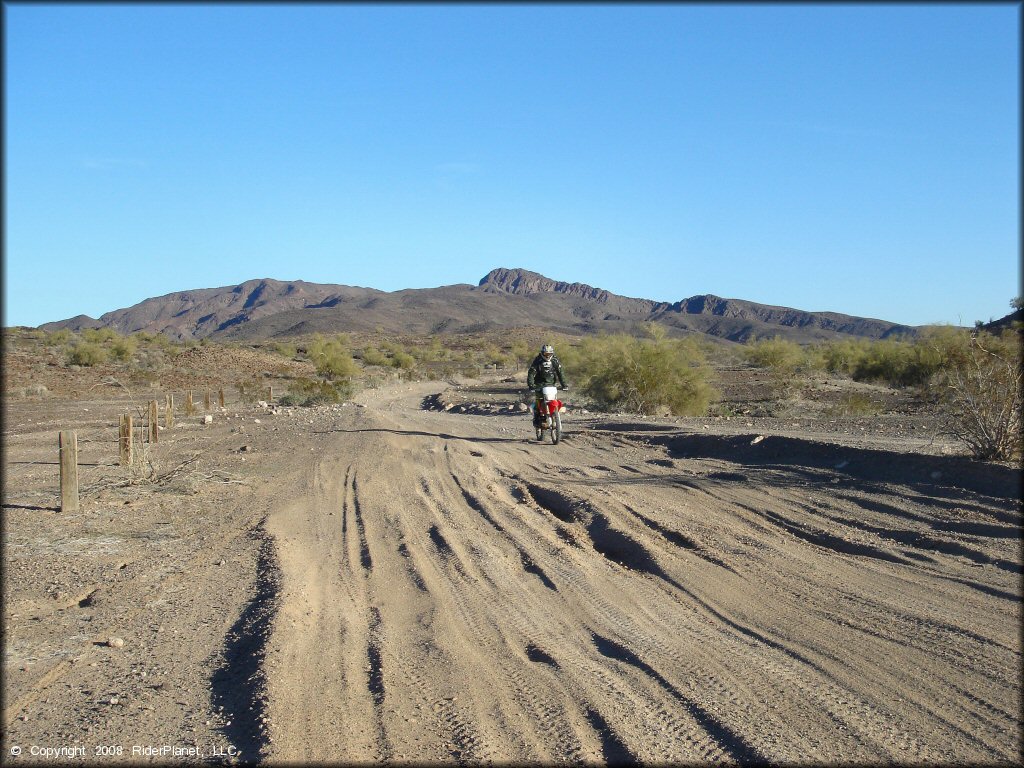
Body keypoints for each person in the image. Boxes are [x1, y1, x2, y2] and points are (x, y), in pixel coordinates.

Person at [526, 344, 568, 427]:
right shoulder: (538, 361)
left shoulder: (555, 361)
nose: (548, 355)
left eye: (549, 354)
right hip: (539, 385)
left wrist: (564, 385)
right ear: (542, 353)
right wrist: (531, 385)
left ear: (552, 353)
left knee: (553, 400)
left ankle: (554, 415)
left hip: (551, 385)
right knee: (539, 400)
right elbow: (531, 373)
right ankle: (537, 417)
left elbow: (560, 373)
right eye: (546, 354)